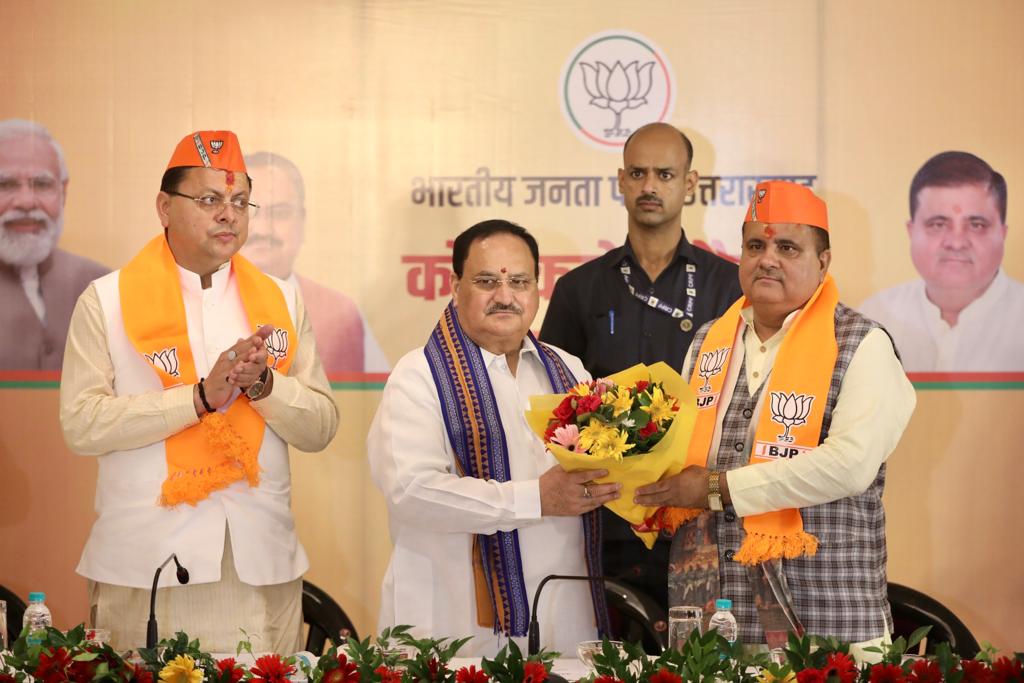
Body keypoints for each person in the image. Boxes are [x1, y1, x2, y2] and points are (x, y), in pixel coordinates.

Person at [59, 130, 338, 653]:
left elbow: (321, 426)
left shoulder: (280, 299)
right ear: (164, 207)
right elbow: (82, 423)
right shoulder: (107, 301)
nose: (228, 214)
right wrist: (196, 399)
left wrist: (263, 384)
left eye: (238, 201)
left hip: (261, 566)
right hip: (147, 567)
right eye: (209, 200)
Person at [635, 181, 916, 653]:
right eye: (755, 245)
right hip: (714, 624)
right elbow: (678, 449)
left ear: (823, 262)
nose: (768, 259)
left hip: (829, 626)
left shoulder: (862, 343)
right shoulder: (708, 340)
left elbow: (849, 465)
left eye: (787, 247)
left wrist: (716, 488)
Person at [368, 219, 620, 656]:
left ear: (537, 289)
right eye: (487, 281)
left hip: (564, 618)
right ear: (454, 286)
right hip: (454, 625)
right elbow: (413, 492)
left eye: (520, 281)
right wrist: (535, 499)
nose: (505, 296)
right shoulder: (419, 377)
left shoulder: (569, 370)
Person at [539, 122, 742, 609]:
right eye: (639, 173)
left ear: (690, 184)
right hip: (605, 522)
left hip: (703, 518)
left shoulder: (731, 287)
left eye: (665, 174)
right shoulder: (579, 289)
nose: (650, 186)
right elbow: (555, 408)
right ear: (621, 180)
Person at [859, 151, 1023, 371]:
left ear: (1002, 234)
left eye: (976, 225)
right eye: (938, 224)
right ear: (911, 231)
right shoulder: (875, 316)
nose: (956, 243)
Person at [240, 151, 389, 374]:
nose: (263, 230)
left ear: (302, 222)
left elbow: (374, 393)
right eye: (250, 211)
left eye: (280, 213)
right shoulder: (197, 300)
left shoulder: (342, 314)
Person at [0, 119, 108, 370]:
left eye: (42, 184)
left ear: (63, 193)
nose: (26, 202)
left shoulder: (101, 284)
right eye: (4, 185)